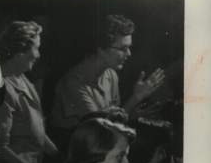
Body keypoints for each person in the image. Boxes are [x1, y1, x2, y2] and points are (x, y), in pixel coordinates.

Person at [49, 14, 166, 145]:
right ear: (101, 50)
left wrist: (131, 115)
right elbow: (101, 131)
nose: (129, 54)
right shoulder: (74, 83)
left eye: (129, 48)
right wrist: (136, 97)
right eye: (123, 48)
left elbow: (115, 120)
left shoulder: (110, 75)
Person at [0, 20, 59, 163]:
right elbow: (0, 148)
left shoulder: (22, 78)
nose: (38, 55)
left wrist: (59, 156)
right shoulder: (2, 88)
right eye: (35, 48)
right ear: (20, 51)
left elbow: (36, 128)